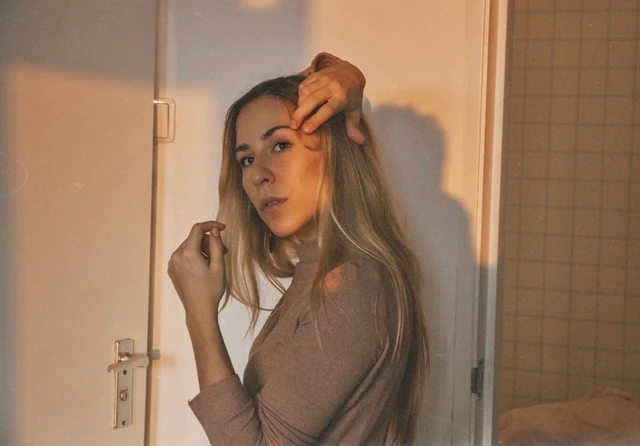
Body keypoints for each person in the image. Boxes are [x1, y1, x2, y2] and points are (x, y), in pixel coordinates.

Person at [167, 53, 429, 445]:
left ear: (336, 150)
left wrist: (199, 313)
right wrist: (338, 72)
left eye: (280, 144)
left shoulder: (351, 284)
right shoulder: (324, 271)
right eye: (247, 159)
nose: (258, 174)